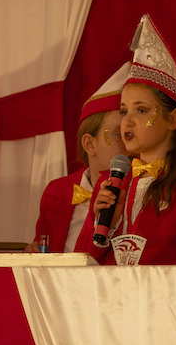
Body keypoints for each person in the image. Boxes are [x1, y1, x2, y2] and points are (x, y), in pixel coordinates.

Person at [84, 14, 176, 265]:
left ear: (174, 119)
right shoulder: (110, 184)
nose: (127, 122)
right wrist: (103, 228)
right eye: (124, 111)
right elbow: (80, 265)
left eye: (141, 110)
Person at [25, 63, 130, 253]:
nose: (130, 145)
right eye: (119, 134)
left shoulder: (138, 191)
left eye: (130, 134)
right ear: (89, 144)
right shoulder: (56, 192)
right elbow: (42, 247)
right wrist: (34, 253)